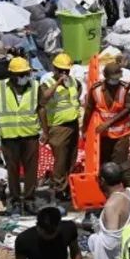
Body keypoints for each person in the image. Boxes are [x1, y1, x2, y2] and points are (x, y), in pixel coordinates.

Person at [0, 56, 41, 214]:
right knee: (13, 170)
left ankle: (29, 200)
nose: (23, 77)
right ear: (11, 75)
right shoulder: (0, 86)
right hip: (9, 136)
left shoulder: (35, 86)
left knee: (31, 170)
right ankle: (16, 200)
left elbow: (42, 105)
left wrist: (46, 130)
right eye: (20, 74)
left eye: (25, 73)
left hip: (30, 135)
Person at [39, 52, 82, 200]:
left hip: (73, 124)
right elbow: (43, 100)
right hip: (58, 127)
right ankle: (58, 188)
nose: (64, 73)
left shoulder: (75, 83)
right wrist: (58, 83)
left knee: (71, 157)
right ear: (54, 69)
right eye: (61, 70)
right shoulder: (48, 83)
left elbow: (78, 96)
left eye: (67, 71)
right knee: (61, 159)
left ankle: (67, 186)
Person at [84, 62, 130, 169]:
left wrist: (108, 123)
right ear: (106, 76)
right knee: (104, 163)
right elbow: (89, 109)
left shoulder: (125, 88)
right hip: (103, 135)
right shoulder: (95, 89)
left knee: (120, 164)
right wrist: (84, 130)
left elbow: (129, 108)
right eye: (112, 78)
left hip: (121, 134)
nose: (115, 81)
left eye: (117, 78)